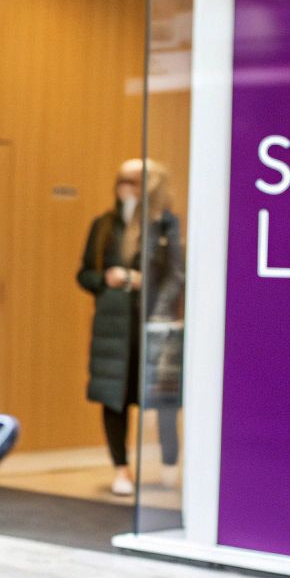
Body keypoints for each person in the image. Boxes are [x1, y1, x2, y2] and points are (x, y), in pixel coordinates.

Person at [76, 158, 185, 497]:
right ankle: (121, 467)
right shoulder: (105, 225)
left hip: (153, 322)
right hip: (113, 323)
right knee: (114, 398)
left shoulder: (165, 226)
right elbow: (85, 273)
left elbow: (176, 276)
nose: (126, 187)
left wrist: (143, 283)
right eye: (122, 180)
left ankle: (170, 462)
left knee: (162, 396)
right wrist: (106, 280)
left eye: (134, 181)